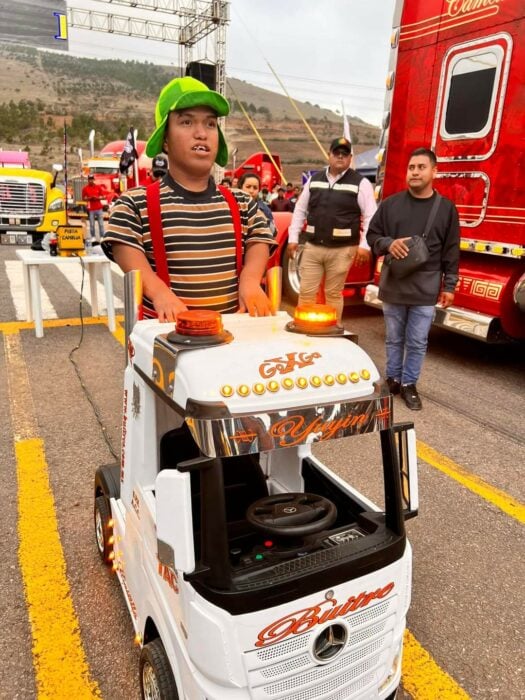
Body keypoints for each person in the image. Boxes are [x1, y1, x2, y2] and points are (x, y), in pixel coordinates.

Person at [102, 76, 276, 321]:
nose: (201, 133)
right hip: (168, 346)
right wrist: (159, 291)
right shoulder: (134, 204)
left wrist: (250, 281)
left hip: (232, 342)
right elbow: (124, 248)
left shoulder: (242, 203)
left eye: (210, 124)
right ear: (165, 139)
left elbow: (259, 241)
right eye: (186, 122)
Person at [366, 147, 460, 410]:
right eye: (411, 167)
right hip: (394, 283)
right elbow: (372, 236)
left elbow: (451, 249)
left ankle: (409, 384)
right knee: (394, 337)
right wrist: (388, 243)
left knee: (417, 341)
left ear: (434, 172)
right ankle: (393, 379)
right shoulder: (391, 204)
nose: (415, 172)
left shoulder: (446, 209)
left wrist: (449, 285)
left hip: (426, 286)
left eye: (421, 167)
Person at [287, 137, 376, 322]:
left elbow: (370, 217)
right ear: (329, 155)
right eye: (337, 153)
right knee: (306, 292)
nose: (340, 157)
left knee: (333, 294)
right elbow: (300, 210)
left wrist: (365, 246)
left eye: (345, 154)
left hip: (342, 250)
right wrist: (293, 239)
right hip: (312, 247)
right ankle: (304, 329)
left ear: (351, 158)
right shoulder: (314, 180)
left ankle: (332, 332)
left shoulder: (361, 184)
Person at [82, 174, 106, 242]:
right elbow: (83, 198)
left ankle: (102, 236)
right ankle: (93, 237)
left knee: (101, 224)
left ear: (93, 180)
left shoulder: (98, 187)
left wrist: (97, 198)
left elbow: (103, 196)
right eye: (90, 179)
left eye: (92, 179)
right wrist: (90, 198)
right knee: (92, 224)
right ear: (88, 180)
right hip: (91, 209)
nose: (91, 180)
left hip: (99, 208)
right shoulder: (85, 188)